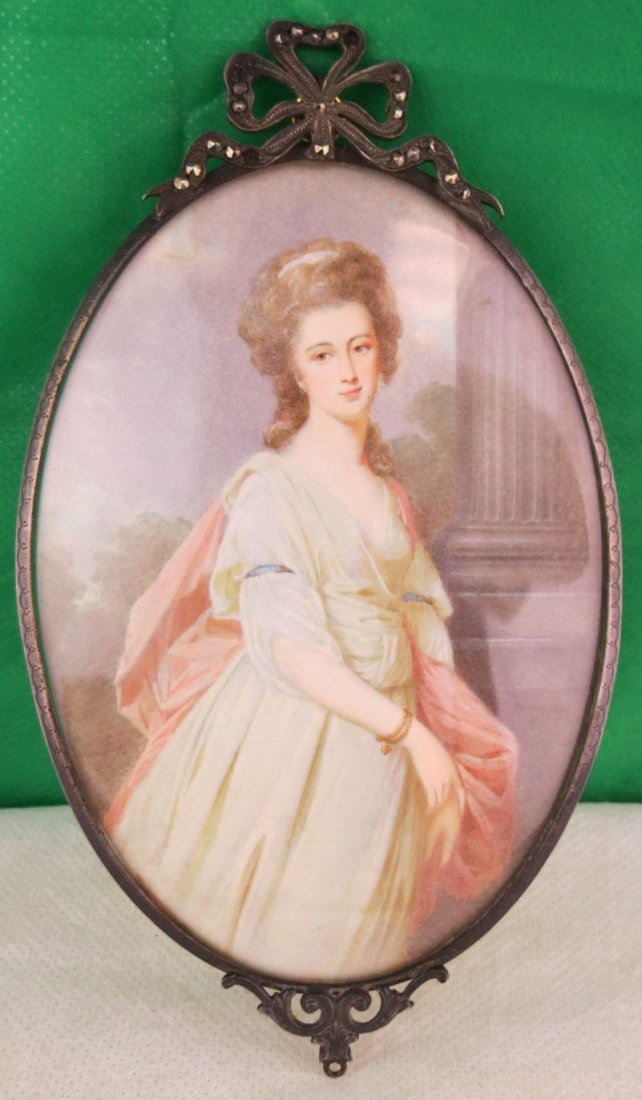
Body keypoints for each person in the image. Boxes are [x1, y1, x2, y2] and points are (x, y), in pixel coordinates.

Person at [105, 239, 517, 982]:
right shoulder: (271, 489)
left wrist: (432, 729)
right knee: (292, 930)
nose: (349, 371)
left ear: (383, 351)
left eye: (361, 346)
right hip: (292, 734)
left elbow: (420, 628)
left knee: (364, 939)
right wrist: (414, 739)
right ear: (294, 370)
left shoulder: (390, 496)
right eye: (323, 355)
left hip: (386, 749)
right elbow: (288, 649)